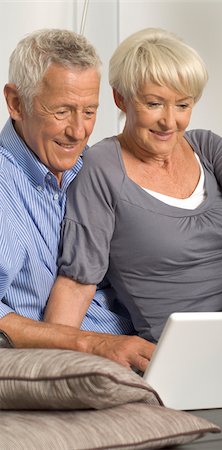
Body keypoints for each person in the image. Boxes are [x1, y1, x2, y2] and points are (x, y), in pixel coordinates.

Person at [45, 28, 222, 351]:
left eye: (183, 105)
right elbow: (77, 282)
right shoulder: (101, 167)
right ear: (121, 98)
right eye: (155, 103)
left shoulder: (204, 147)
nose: (169, 122)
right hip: (193, 346)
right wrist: (51, 362)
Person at [0, 28, 155, 370]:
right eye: (62, 111)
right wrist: (91, 344)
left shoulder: (95, 166)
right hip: (80, 367)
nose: (78, 131)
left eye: (89, 112)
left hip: (146, 349)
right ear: (16, 103)